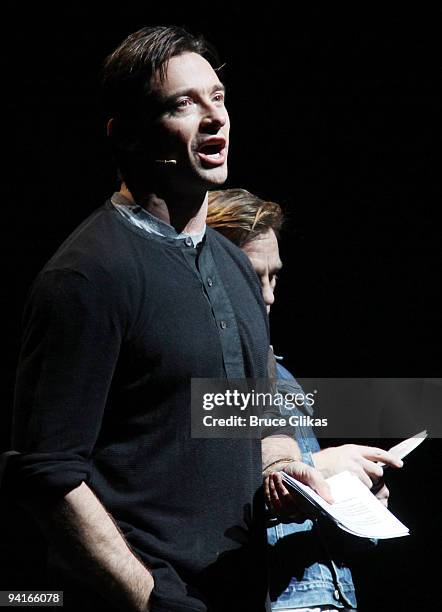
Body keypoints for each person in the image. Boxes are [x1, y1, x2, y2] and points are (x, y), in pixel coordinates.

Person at [5, 27, 331, 612]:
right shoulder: (89, 274)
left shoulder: (235, 265)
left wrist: (285, 464)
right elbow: (47, 474)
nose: (214, 118)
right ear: (125, 133)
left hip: (236, 591)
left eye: (218, 97)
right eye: (183, 103)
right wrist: (149, 595)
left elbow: (253, 418)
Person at [207, 188, 403, 612]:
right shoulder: (208, 371)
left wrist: (353, 497)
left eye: (273, 276)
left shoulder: (280, 374)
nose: (269, 295)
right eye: (250, 277)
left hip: (329, 595)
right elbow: (209, 491)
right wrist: (324, 467)